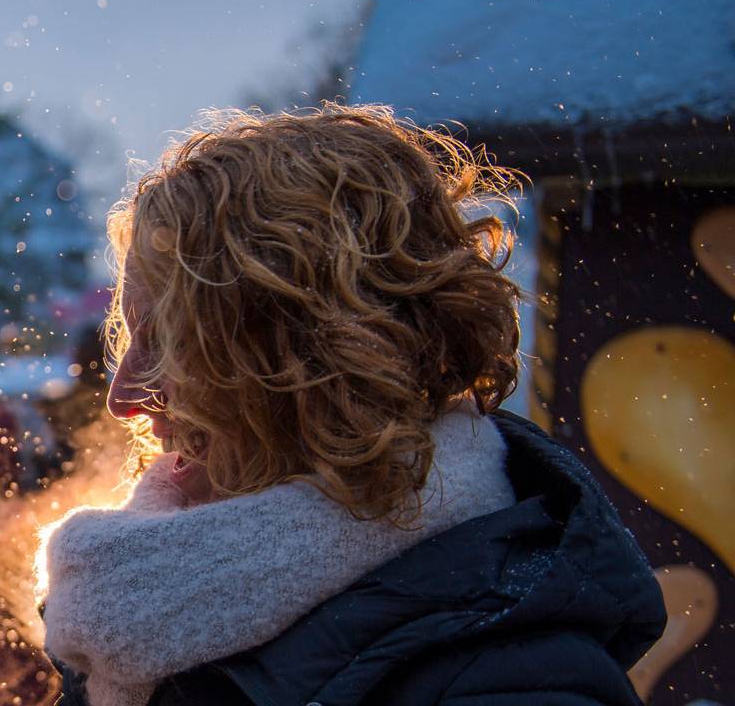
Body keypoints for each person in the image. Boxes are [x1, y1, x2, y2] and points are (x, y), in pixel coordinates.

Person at [38, 105, 665, 706]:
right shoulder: (150, 602)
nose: (123, 399)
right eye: (132, 335)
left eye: (171, 342)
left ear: (312, 361)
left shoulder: (515, 682)